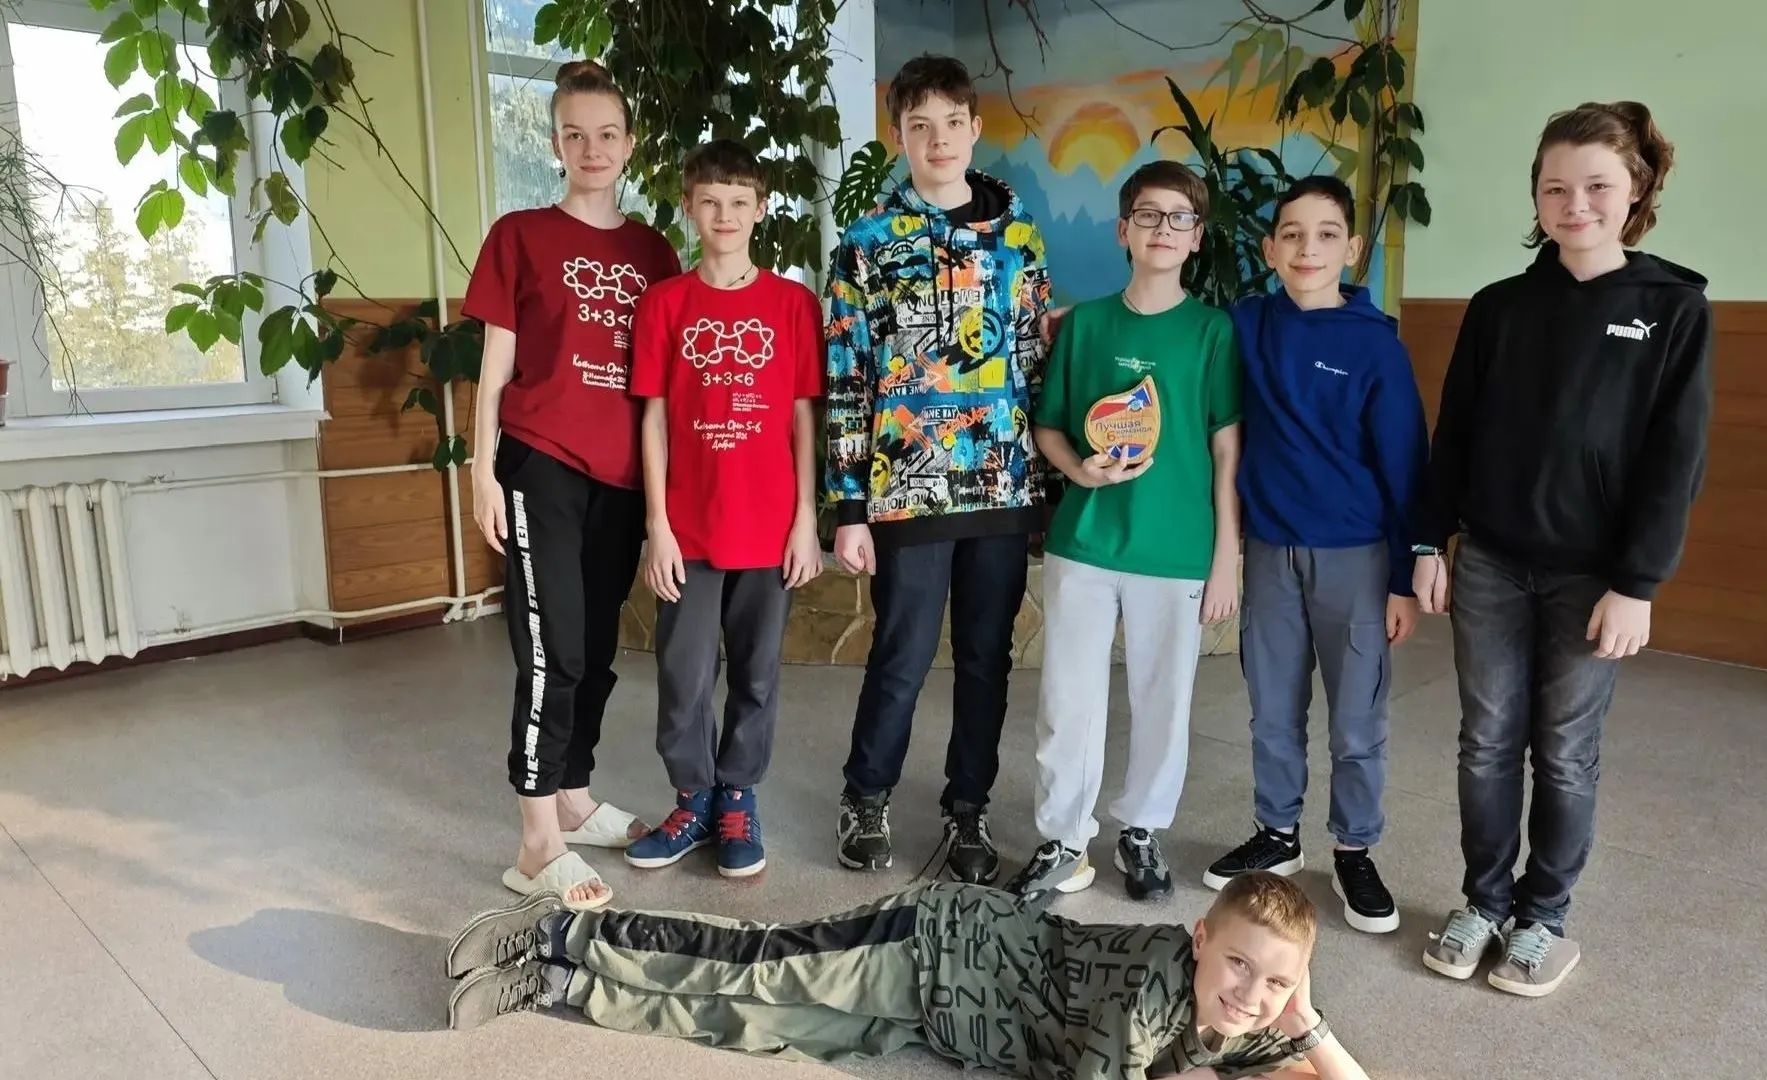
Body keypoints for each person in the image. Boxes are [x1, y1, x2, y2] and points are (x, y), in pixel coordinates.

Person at [1413, 101, 1712, 997]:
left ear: (1637, 192)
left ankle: (1542, 917)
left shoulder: (1673, 309)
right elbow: (1454, 434)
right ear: (1535, 197)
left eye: (1597, 186)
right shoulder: (1498, 307)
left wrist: (1638, 583)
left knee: (1566, 750)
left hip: (1595, 578)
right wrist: (1430, 541)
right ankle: (1483, 902)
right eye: (1555, 187)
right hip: (1492, 564)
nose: (1574, 204)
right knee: (1485, 741)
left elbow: (1675, 461)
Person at [442, 874, 1373, 1080]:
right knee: (754, 967)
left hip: (940, 1025)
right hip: (934, 945)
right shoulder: (1153, 988)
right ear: (1200, 938)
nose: (1251, 994)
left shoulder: (1250, 1012)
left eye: (1276, 983)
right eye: (1240, 963)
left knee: (753, 1028)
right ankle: (563, 930)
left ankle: (561, 988)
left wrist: (1309, 1021)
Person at [823, 53, 1052, 884]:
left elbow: (1033, 366)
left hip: (1001, 484)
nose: (938, 140)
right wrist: (848, 507)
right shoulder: (865, 245)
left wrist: (1048, 486)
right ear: (899, 137)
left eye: (952, 123)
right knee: (903, 655)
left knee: (987, 659)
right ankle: (866, 795)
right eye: (920, 126)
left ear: (975, 128)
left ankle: (968, 807)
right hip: (907, 489)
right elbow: (847, 378)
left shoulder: (1021, 240)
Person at [466, 59, 683, 910]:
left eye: (606, 134)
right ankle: (535, 842)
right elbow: (495, 370)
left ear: (629, 144)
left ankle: (574, 796)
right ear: (555, 143)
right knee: (550, 647)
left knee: (593, 650)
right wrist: (481, 469)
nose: (591, 148)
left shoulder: (653, 251)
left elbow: (664, 382)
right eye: (574, 134)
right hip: (541, 461)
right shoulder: (520, 236)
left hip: (622, 476)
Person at [1002, 161, 1242, 906]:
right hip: (1087, 542)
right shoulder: (1087, 324)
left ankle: (1141, 829)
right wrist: (1080, 469)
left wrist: (1225, 556)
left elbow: (1226, 449)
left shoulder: (1212, 332)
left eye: (1179, 218)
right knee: (1066, 699)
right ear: (1123, 230)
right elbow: (1048, 427)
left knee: (1164, 698)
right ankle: (1064, 838)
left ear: (1196, 237)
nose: (1162, 229)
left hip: (1175, 548)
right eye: (1147, 215)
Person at [1201, 176, 1428, 938]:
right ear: (1270, 248)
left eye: (1326, 234)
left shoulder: (1376, 348)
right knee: (1272, 706)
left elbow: (1406, 466)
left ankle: (1354, 847)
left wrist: (1403, 579)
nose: (1308, 248)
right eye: (1292, 234)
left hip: (1355, 559)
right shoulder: (1247, 324)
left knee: (1357, 719)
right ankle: (1278, 831)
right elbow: (1175, 333)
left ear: (1352, 249)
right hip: (1270, 551)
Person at [622, 139, 826, 880]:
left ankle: (737, 797)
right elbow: (652, 419)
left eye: (739, 201)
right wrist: (658, 526)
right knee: (683, 673)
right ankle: (692, 799)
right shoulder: (665, 304)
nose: (724, 215)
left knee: (757, 672)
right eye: (710, 201)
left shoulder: (793, 305)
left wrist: (806, 519)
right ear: (688, 206)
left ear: (761, 209)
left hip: (769, 527)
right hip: (689, 527)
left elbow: (803, 417)